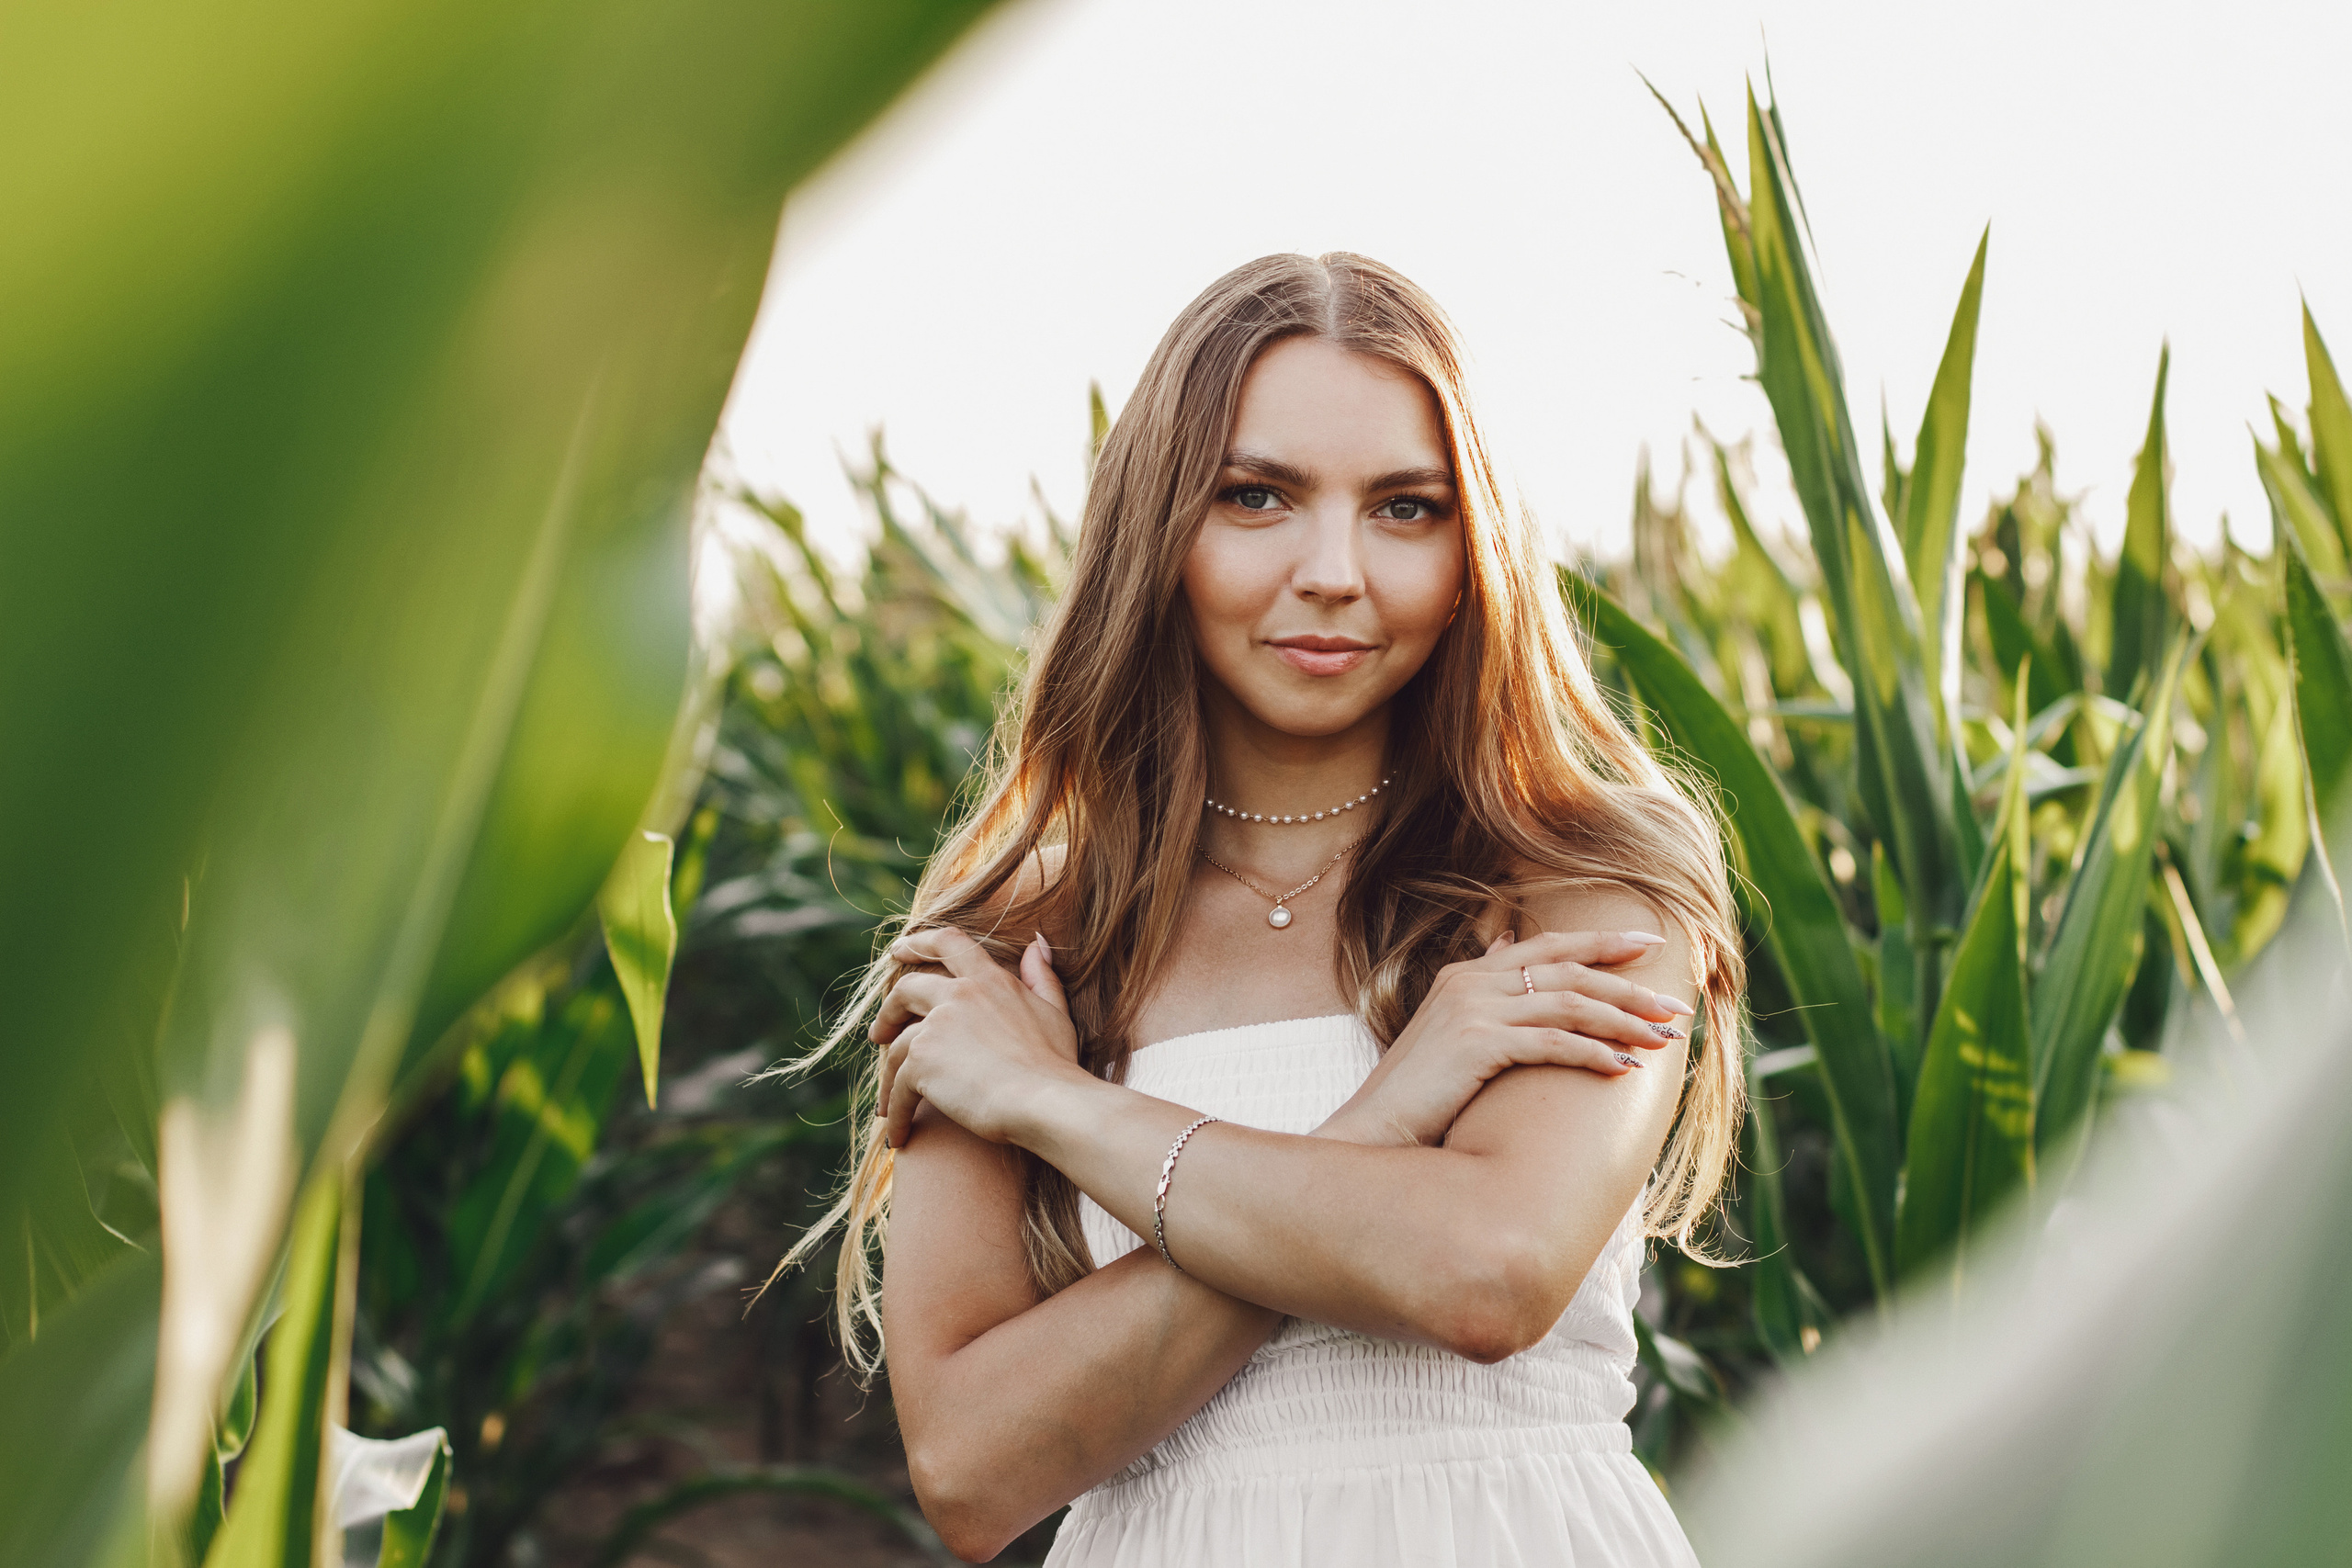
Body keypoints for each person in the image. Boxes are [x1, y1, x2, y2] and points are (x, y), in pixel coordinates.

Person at [772, 253, 1746, 1565]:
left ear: (1477, 550)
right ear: (1158, 530)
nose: (1335, 570)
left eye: (1407, 509)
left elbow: (1489, 1273)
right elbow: (972, 1468)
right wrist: (1392, 1114)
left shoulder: (1583, 883)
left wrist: (1060, 1105)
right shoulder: (1023, 949)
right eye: (1257, 497)